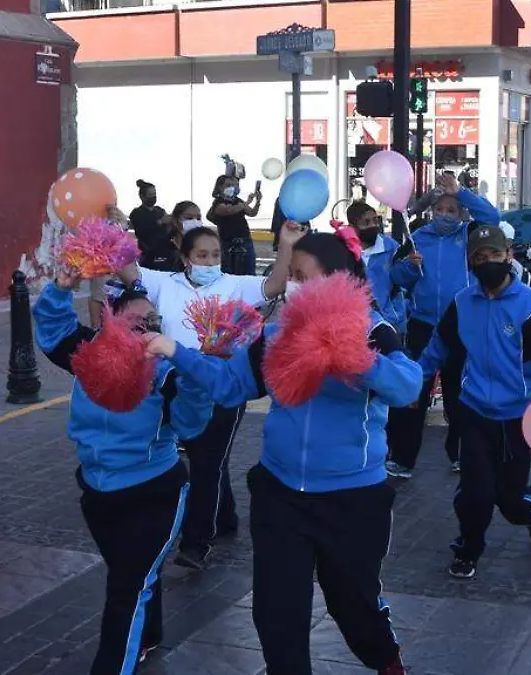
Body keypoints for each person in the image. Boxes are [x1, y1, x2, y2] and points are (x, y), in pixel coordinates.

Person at [144, 230, 420, 675]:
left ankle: (386, 660)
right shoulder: (274, 336)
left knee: (354, 605)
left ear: (335, 280)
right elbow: (230, 385)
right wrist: (177, 352)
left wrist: (356, 359)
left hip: (352, 499)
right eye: (289, 275)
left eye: (301, 276)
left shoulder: (372, 330)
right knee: (277, 613)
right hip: (281, 493)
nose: (292, 286)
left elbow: (407, 387)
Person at [33, 271, 212, 672]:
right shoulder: (88, 352)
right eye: (135, 323)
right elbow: (51, 326)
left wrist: (197, 380)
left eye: (152, 324)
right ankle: (149, 634)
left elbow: (191, 425)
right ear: (108, 324)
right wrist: (62, 286)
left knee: (127, 587)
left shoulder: (166, 371)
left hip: (155, 493)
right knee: (133, 574)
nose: (145, 331)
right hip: (97, 491)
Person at [119, 223, 302, 569]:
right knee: (209, 461)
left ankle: (197, 542)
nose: (210, 261)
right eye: (201, 255)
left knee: (205, 462)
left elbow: (275, 284)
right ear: (186, 258)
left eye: (215, 254)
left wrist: (287, 244)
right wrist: (114, 234)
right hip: (179, 387)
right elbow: (129, 271)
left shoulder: (235, 285)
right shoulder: (164, 284)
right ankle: (226, 516)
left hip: (224, 387)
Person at [417, 225, 531, 578]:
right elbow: (438, 347)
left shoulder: (530, 306)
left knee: (510, 501)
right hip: (473, 412)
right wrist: (414, 380)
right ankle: (468, 549)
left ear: (508, 256)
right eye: (479, 258)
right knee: (476, 493)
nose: (488, 263)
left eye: (494, 256)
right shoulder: (462, 302)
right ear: (470, 263)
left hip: (518, 418)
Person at [384, 175, 501, 479]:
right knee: (415, 392)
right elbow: (397, 278)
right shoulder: (417, 237)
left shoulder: (470, 235)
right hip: (423, 325)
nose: (445, 215)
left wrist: (461, 192)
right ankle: (403, 459)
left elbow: (493, 217)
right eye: (441, 209)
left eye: (452, 210)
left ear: (461, 213)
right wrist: (409, 266)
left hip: (461, 324)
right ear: (432, 210)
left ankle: (460, 454)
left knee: (459, 394)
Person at [346, 200, 407, 333]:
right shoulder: (345, 251)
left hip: (390, 322)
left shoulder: (391, 248)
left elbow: (403, 280)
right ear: (353, 227)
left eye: (375, 220)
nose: (373, 225)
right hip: (356, 326)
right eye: (366, 223)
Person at [208, 174, 262, 275]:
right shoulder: (218, 202)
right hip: (228, 242)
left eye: (234, 185)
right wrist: (247, 202)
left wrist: (258, 201)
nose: (232, 188)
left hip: (245, 239)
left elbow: (252, 213)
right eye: (228, 185)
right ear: (220, 187)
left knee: (249, 270)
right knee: (229, 271)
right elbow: (229, 210)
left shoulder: (237, 201)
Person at [129, 180, 170, 269]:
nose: (153, 197)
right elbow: (142, 231)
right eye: (150, 194)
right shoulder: (137, 213)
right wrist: (159, 222)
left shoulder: (160, 210)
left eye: (154, 194)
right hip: (148, 255)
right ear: (142, 196)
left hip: (165, 252)